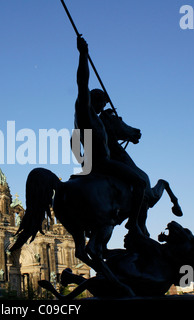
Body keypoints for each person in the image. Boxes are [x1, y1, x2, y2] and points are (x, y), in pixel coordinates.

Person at [74, 36, 146, 232]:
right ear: (93, 100)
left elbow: (75, 144)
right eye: (101, 103)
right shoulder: (85, 111)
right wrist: (83, 55)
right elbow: (82, 81)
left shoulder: (95, 119)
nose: (102, 108)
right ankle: (135, 223)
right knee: (139, 182)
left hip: (91, 163)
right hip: (101, 163)